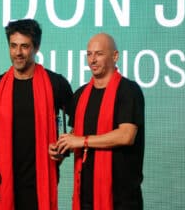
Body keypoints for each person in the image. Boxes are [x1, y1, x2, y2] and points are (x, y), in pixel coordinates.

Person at [0, 19, 73, 210]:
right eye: (13, 46)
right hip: (2, 181)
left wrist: (63, 150)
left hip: (39, 181)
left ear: (36, 47)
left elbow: (78, 122)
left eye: (24, 46)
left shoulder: (56, 83)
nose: (18, 53)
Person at [49, 33, 145, 210]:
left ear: (115, 56)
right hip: (85, 197)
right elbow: (75, 135)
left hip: (122, 199)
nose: (92, 60)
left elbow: (126, 135)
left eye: (99, 54)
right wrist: (60, 149)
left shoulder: (129, 91)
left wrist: (82, 140)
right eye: (89, 54)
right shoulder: (80, 95)